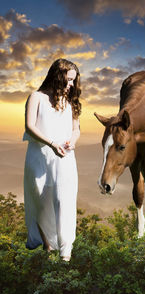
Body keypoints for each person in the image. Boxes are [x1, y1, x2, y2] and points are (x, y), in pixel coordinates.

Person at [23, 58, 81, 261]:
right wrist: (51, 144)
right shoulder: (36, 97)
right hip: (38, 157)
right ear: (56, 78)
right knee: (40, 201)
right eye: (67, 81)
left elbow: (76, 128)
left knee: (63, 201)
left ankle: (66, 255)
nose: (71, 85)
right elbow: (30, 126)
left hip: (64, 158)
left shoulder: (70, 101)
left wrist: (72, 141)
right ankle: (48, 249)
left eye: (73, 81)